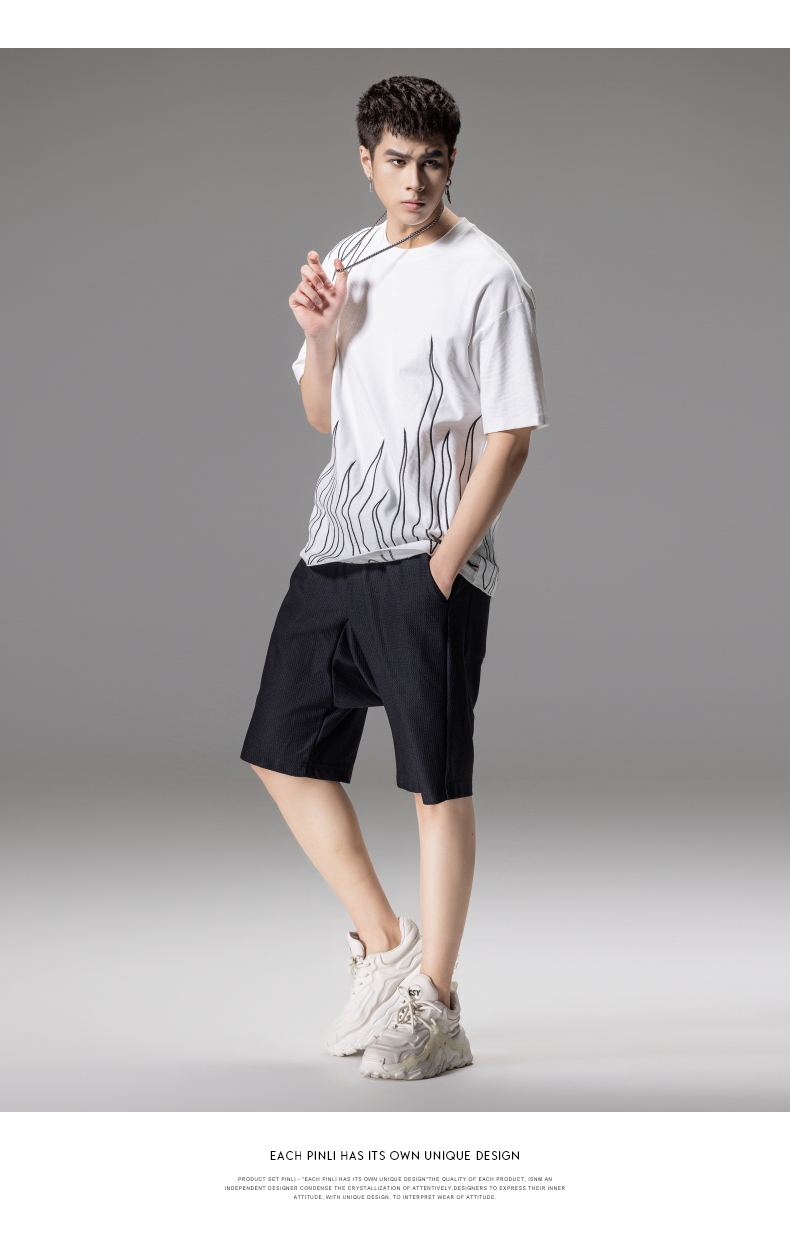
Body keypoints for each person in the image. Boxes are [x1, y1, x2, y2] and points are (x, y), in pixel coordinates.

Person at [241, 75, 547, 1080]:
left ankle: (439, 1005)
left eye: (433, 162)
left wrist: (441, 569)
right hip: (334, 549)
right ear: (366, 162)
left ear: (452, 162)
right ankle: (385, 948)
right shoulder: (349, 260)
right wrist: (319, 335)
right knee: (283, 753)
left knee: (434, 782)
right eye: (397, 161)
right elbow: (322, 415)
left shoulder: (488, 275)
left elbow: (511, 436)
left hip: (425, 562)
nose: (415, 181)